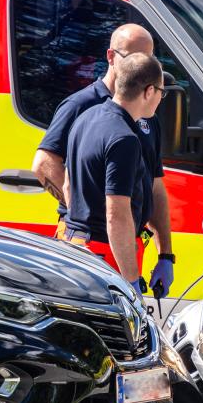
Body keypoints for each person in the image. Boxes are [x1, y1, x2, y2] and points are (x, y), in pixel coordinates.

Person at [32, 24, 174, 295]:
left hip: (121, 243)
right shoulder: (81, 106)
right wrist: (85, 211)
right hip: (97, 242)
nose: (142, 65)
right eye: (133, 57)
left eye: (149, 59)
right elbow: (44, 164)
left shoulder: (145, 119)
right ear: (111, 57)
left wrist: (165, 254)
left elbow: (154, 187)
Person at [61, 53, 167, 294]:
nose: (161, 98)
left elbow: (68, 186)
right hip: (106, 256)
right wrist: (130, 283)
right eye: (162, 91)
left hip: (76, 245)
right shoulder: (125, 139)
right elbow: (116, 216)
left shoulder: (86, 118)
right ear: (149, 91)